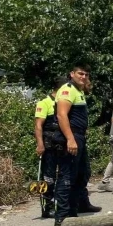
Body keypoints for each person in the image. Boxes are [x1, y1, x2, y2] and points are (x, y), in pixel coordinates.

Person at [53, 64, 101, 226]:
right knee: (67, 177)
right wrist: (70, 139)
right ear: (72, 74)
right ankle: (61, 217)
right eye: (80, 73)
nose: (83, 76)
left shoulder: (79, 91)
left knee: (83, 173)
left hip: (78, 136)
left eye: (86, 74)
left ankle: (75, 209)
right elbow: (61, 115)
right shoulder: (67, 90)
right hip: (70, 137)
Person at [34, 78, 64, 218]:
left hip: (62, 143)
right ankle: (48, 206)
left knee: (63, 175)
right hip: (48, 143)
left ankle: (62, 203)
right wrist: (40, 144)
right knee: (48, 177)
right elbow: (38, 125)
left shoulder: (64, 103)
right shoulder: (44, 102)